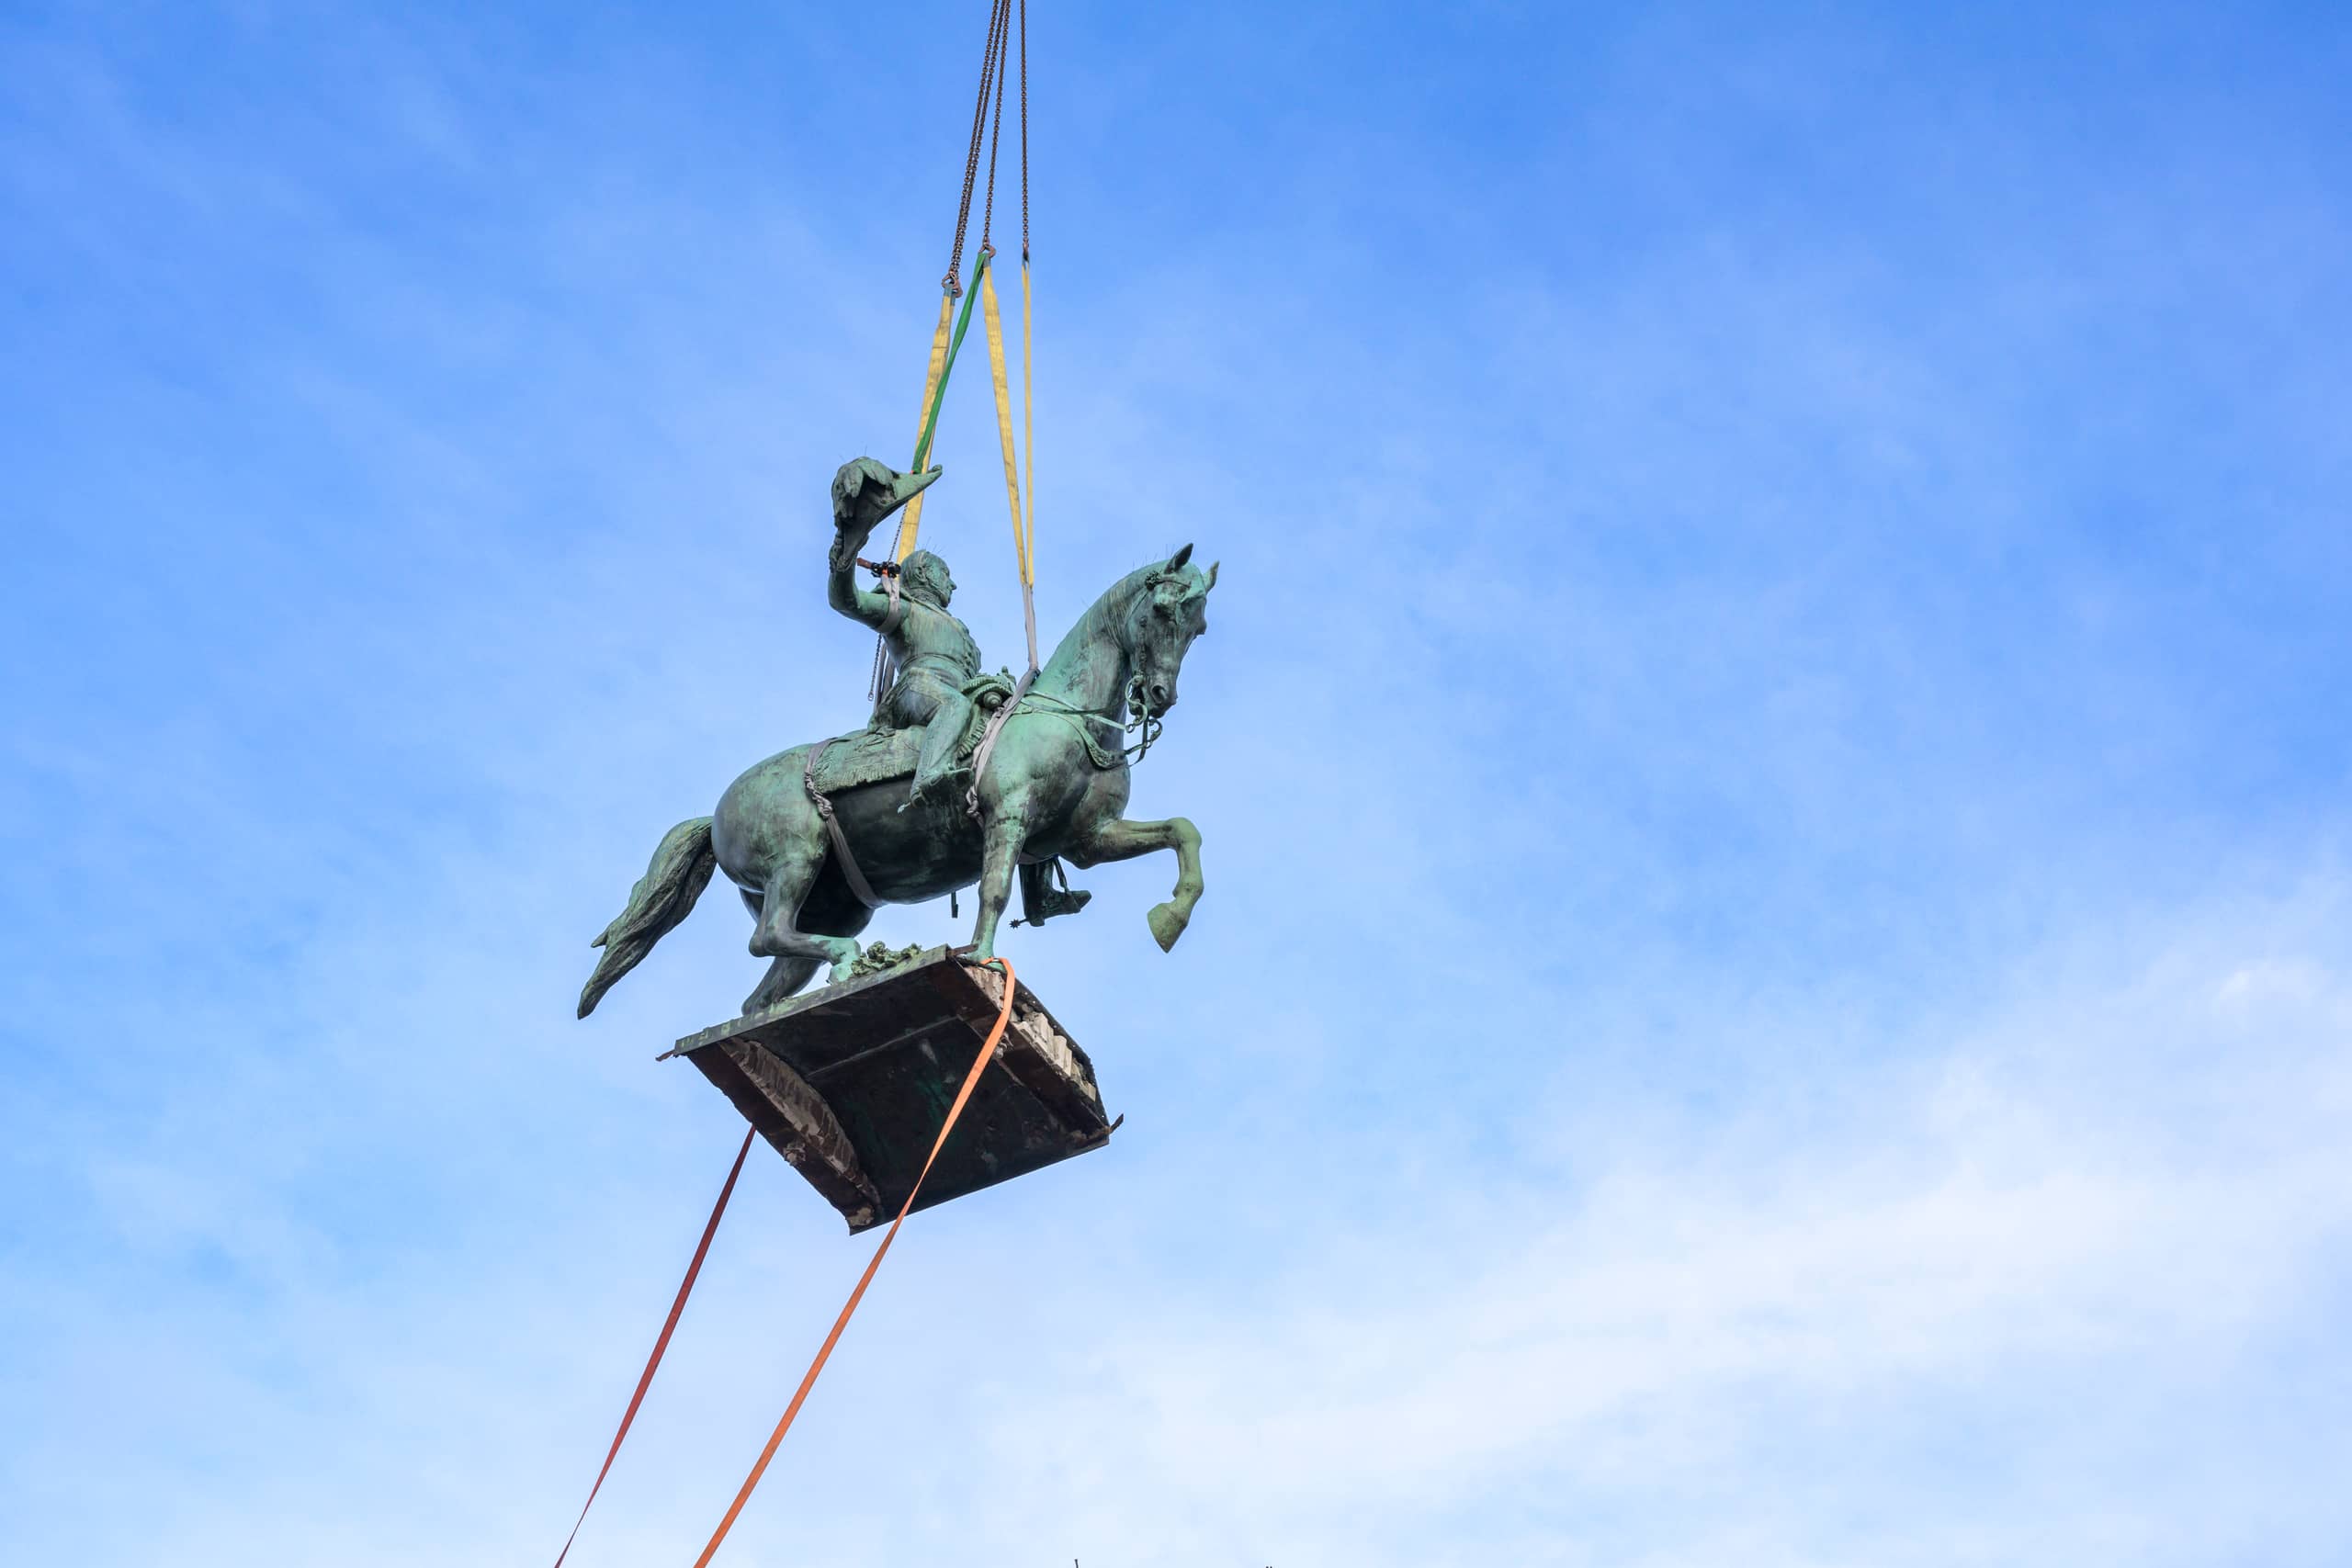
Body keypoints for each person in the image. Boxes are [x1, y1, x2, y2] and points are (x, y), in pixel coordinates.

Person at [827, 457, 981, 807]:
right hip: (918, 689)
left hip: (962, 689)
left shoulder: (958, 627)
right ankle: (930, 777)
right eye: (945, 574)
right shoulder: (904, 607)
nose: (953, 584)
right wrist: (846, 551)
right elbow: (845, 601)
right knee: (954, 707)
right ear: (924, 574)